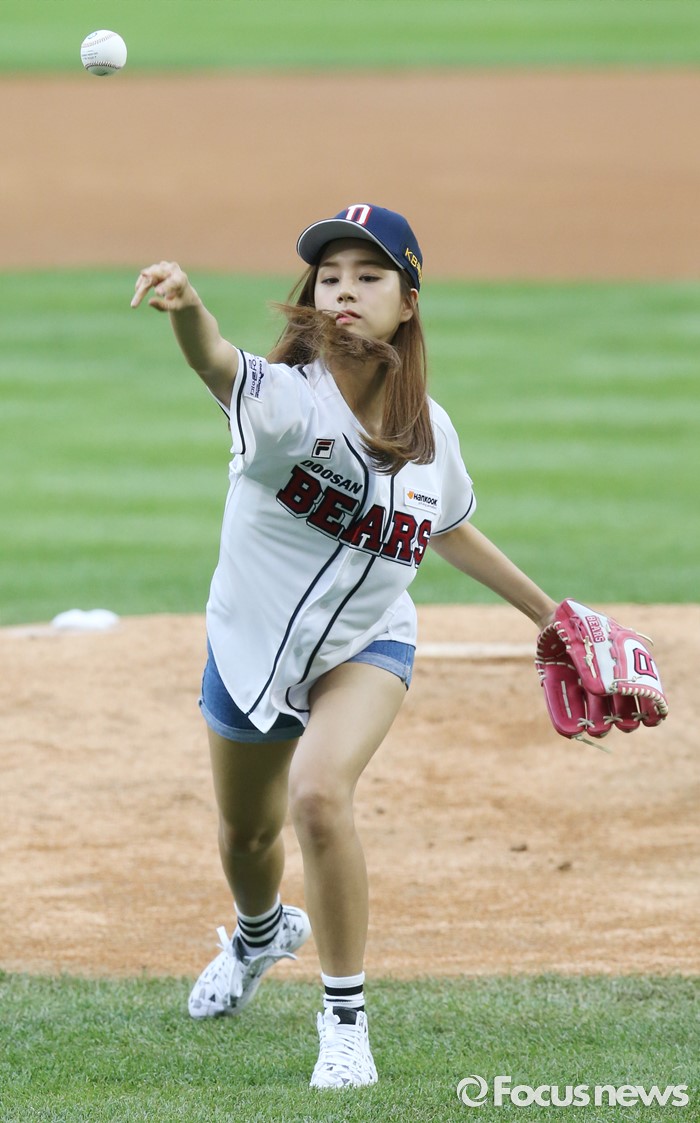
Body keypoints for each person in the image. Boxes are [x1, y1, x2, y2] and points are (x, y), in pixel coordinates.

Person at [131, 204, 557, 1089]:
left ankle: (345, 1022)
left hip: (370, 641)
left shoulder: (430, 431)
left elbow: (451, 528)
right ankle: (259, 934)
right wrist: (188, 309)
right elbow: (218, 361)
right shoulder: (285, 402)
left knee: (319, 797)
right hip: (251, 647)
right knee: (247, 835)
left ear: (408, 301)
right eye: (330, 278)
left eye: (368, 276)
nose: (345, 292)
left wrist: (547, 615)